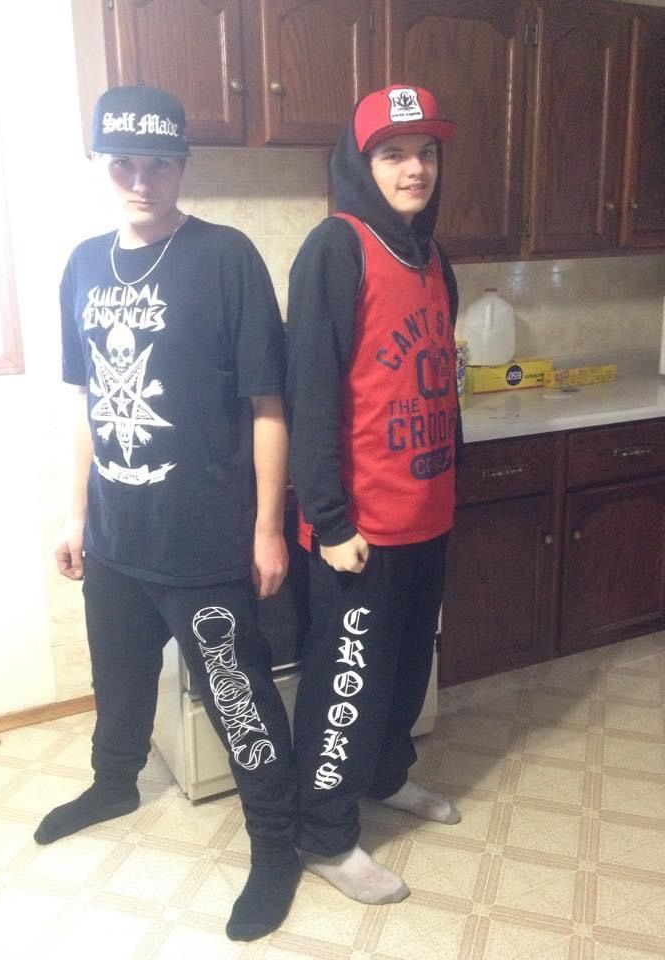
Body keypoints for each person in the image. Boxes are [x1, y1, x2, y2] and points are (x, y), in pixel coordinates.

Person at [34, 84, 300, 941]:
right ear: (103, 167)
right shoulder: (81, 263)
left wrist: (266, 528)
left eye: (158, 163)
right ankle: (115, 780)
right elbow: (85, 401)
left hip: (203, 541)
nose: (141, 180)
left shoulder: (226, 258)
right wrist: (75, 513)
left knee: (238, 697)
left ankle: (275, 841)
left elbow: (268, 403)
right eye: (124, 163)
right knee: (119, 683)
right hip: (116, 537)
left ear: (184, 165)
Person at [285, 85, 463, 905]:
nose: (414, 167)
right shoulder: (336, 247)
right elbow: (311, 396)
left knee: (400, 671)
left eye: (426, 152)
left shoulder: (435, 258)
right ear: (363, 164)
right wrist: (329, 519)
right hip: (359, 527)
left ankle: (387, 776)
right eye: (394, 153)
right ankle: (323, 835)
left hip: (427, 513)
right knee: (346, 681)